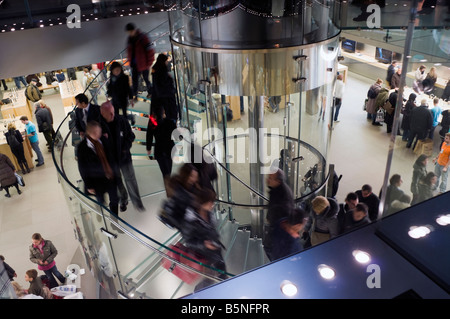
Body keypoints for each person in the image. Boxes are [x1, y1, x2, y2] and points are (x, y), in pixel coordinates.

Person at [100, 101, 145, 212]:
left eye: (113, 112)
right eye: (109, 113)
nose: (112, 115)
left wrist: (125, 148)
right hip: (111, 161)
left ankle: (137, 203)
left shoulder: (122, 121)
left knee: (130, 179)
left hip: (124, 158)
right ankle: (123, 200)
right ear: (102, 113)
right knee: (117, 182)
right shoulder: (99, 125)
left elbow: (131, 136)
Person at [182, 188, 227, 291]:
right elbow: (189, 241)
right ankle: (199, 295)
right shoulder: (190, 221)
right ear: (202, 203)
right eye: (210, 202)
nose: (212, 204)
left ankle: (225, 290)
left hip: (215, 251)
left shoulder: (208, 213)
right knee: (208, 280)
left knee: (222, 275)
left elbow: (211, 230)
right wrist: (204, 244)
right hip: (204, 256)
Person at [77, 121, 120, 217]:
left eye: (99, 132)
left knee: (114, 200)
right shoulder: (82, 148)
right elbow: (82, 168)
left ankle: (115, 221)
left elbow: (111, 156)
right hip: (97, 181)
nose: (98, 134)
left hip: (110, 177)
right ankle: (99, 211)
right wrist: (89, 185)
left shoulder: (103, 140)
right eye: (96, 133)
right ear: (89, 133)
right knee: (100, 200)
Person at [263, 168, 295, 260]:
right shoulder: (275, 190)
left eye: (270, 178)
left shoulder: (282, 194)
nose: (267, 179)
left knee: (270, 250)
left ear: (278, 181)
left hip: (278, 231)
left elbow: (284, 213)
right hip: (276, 229)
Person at [146, 107, 176, 193]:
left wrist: (148, 148)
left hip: (160, 150)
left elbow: (149, 134)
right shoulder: (170, 121)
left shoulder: (153, 123)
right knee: (167, 170)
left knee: (165, 171)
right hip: (168, 149)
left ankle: (169, 189)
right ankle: (169, 190)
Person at [125, 22, 155, 99]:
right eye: (129, 32)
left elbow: (150, 52)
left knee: (146, 80)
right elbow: (129, 51)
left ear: (134, 30)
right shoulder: (129, 39)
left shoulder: (143, 37)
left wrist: (149, 64)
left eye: (131, 31)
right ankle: (134, 95)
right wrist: (130, 61)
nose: (130, 33)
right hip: (135, 65)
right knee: (135, 81)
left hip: (144, 65)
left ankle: (151, 93)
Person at [151, 53, 179, 123]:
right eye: (166, 61)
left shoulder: (155, 70)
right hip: (166, 96)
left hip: (160, 96)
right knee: (170, 113)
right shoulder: (162, 71)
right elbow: (164, 84)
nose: (167, 62)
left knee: (162, 115)